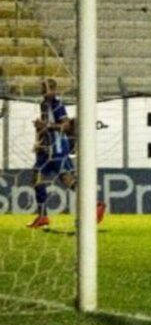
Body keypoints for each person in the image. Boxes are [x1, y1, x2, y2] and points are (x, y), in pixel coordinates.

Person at [26, 77, 105, 229]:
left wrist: (46, 126)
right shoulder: (44, 105)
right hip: (46, 150)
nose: (41, 90)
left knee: (68, 181)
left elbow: (66, 126)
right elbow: (44, 127)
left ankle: (95, 205)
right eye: (41, 87)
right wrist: (38, 141)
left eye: (45, 87)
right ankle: (42, 216)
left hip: (57, 149)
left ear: (53, 89)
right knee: (37, 179)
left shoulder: (57, 104)